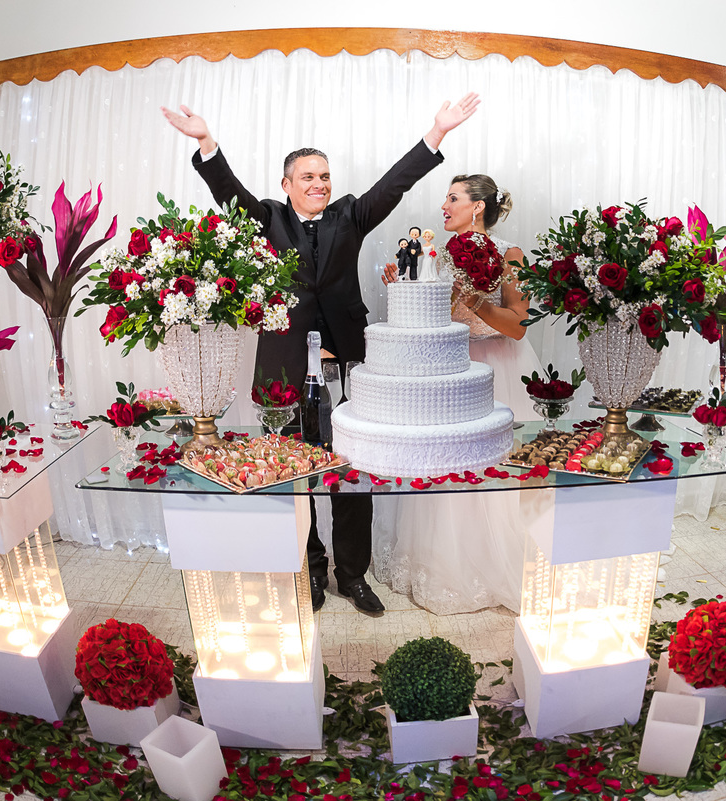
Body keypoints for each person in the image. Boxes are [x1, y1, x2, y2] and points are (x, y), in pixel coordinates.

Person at [162, 94, 480, 615]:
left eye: (325, 176)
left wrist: (437, 132)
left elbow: (393, 185)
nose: (319, 184)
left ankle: (352, 575)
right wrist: (206, 141)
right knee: (291, 472)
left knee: (352, 470)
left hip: (349, 365)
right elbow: (227, 191)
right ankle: (309, 568)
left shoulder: (350, 215)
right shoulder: (265, 218)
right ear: (287, 184)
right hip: (283, 365)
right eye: (308, 177)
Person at [374, 174, 542, 614]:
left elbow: (518, 325)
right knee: (444, 462)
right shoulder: (435, 255)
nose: (443, 207)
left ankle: (498, 560)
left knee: (495, 468)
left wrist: (475, 300)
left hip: (498, 367)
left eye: (452, 198)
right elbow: (432, 319)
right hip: (447, 370)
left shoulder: (510, 254)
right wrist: (405, 288)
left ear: (477, 206)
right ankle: (444, 561)